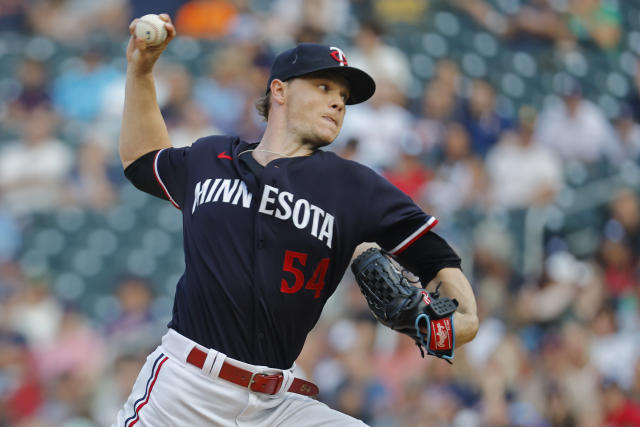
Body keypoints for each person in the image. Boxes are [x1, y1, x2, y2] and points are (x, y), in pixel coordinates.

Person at [116, 13, 479, 426]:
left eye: (343, 95)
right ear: (279, 90)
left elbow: (438, 261)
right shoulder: (210, 158)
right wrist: (141, 71)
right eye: (324, 87)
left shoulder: (354, 186)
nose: (338, 102)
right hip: (184, 392)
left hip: (276, 406)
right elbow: (141, 160)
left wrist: (462, 323)